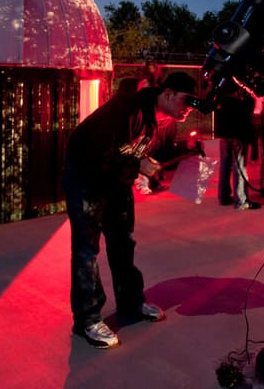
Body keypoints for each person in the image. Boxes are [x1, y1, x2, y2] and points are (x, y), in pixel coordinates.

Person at [63, 71, 198, 348]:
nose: (188, 108)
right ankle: (87, 320)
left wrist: (188, 155)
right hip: (86, 177)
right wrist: (139, 166)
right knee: (87, 249)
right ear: (168, 94)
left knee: (123, 243)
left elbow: (143, 153)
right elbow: (99, 150)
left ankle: (131, 302)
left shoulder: (166, 122)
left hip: (116, 179)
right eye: (186, 100)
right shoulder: (127, 107)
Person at [215, 92, 260, 210]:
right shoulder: (246, 100)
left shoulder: (223, 97)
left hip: (224, 134)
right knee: (239, 169)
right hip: (238, 136)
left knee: (224, 167)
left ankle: (223, 197)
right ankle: (241, 201)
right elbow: (249, 115)